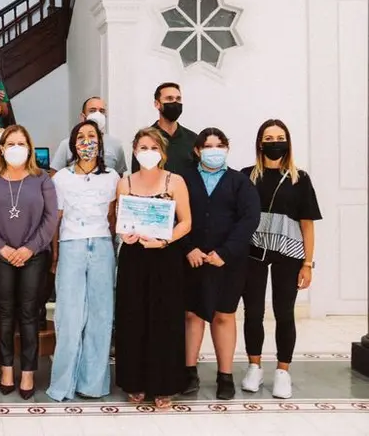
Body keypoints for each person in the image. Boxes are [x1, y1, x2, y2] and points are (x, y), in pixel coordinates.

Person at [240, 119, 322, 399]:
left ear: (287, 142)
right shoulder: (247, 175)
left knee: (284, 312)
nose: (274, 142)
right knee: (253, 312)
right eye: (268, 137)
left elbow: (307, 224)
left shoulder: (300, 178)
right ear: (260, 143)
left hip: (288, 252)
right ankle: (254, 366)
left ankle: (283, 371)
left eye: (280, 137)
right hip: (253, 251)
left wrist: (308, 263)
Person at [0, 125, 58, 400]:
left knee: (28, 312)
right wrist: (1, 247)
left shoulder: (42, 179)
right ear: (1, 148)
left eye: (21, 143)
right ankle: (6, 368)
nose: (15, 148)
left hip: (33, 256)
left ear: (29, 147)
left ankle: (28, 372)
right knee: (4, 312)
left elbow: (50, 218)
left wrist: (29, 248)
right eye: (10, 143)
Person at [115, 127, 192, 409]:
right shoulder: (126, 182)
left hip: (165, 257)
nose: (148, 153)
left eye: (153, 147)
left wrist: (164, 240)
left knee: (165, 320)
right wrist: (125, 235)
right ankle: (134, 381)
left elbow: (186, 222)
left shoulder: (176, 181)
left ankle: (164, 385)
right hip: (134, 258)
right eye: (142, 148)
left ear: (162, 152)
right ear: (135, 151)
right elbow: (121, 221)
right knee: (133, 318)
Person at [180, 128, 260, 400]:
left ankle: (225, 375)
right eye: (207, 145)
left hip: (229, 261)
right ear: (197, 150)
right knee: (192, 314)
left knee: (223, 314)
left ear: (227, 148)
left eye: (219, 145)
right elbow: (174, 214)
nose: (213, 150)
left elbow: (249, 219)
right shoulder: (184, 179)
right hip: (192, 259)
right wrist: (189, 248)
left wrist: (224, 252)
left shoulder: (240, 181)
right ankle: (189, 372)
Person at [47, 120, 119, 401]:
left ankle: (93, 384)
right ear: (73, 144)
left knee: (101, 316)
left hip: (102, 247)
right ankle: (63, 384)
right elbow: (56, 220)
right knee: (69, 316)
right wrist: (54, 256)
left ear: (100, 143)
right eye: (81, 137)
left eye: (92, 136)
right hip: (71, 246)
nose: (86, 141)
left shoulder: (113, 176)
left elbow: (114, 219)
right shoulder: (61, 178)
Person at [131, 82, 197, 175]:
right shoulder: (145, 139)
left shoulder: (193, 139)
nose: (175, 102)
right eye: (169, 98)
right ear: (157, 104)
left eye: (178, 99)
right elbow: (137, 175)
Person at [50, 97, 127, 174]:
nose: (98, 114)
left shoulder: (116, 145)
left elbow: (119, 176)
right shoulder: (66, 144)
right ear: (83, 117)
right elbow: (54, 175)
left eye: (102, 111)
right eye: (92, 111)